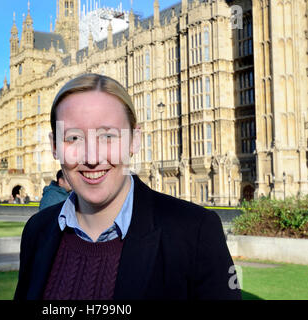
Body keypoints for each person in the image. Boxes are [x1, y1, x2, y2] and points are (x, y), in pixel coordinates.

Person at [14, 74, 241, 300]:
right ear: (54, 146)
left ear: (134, 140)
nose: (92, 157)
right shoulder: (37, 231)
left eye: (108, 136)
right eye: (73, 138)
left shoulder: (195, 232)